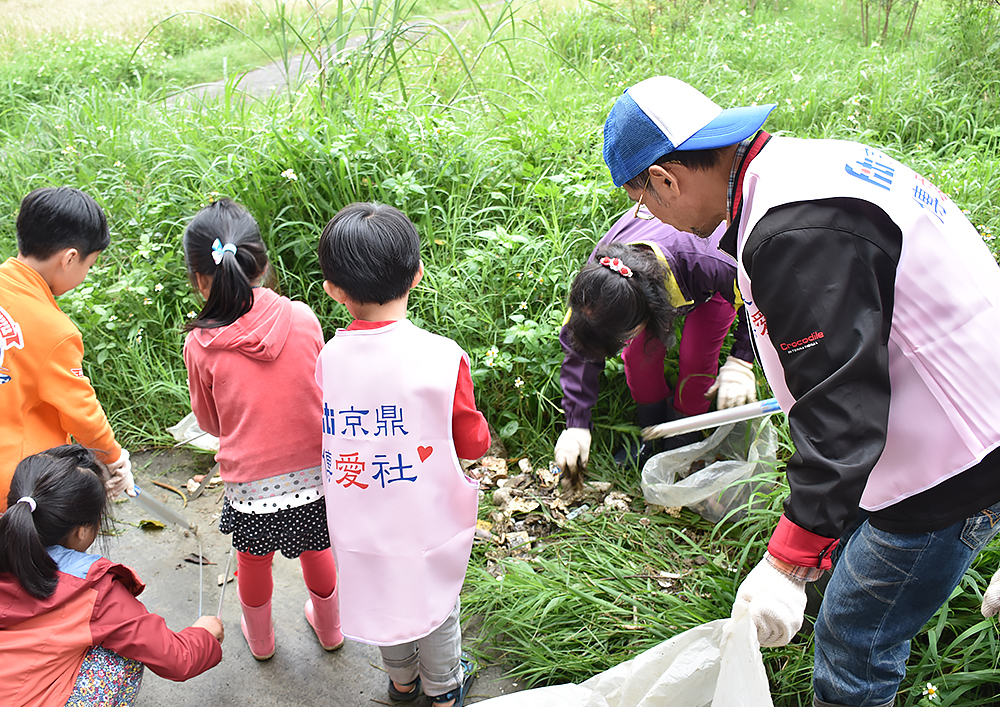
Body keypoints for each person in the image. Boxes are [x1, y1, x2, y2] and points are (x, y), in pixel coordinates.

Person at [602, 74, 1000, 707]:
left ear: (665, 180)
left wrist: (788, 560)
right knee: (849, 585)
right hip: (951, 407)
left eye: (643, 199)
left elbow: (841, 414)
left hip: (951, 462)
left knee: (855, 641)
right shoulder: (797, 172)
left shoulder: (792, 235)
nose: (649, 215)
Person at [315, 202, 490, 707]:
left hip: (360, 516)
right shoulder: (441, 356)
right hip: (423, 519)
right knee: (434, 600)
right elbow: (472, 442)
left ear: (334, 290)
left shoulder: (329, 356)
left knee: (382, 595)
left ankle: (402, 682)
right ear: (417, 274)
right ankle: (443, 688)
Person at [181, 198, 341, 661]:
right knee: (318, 550)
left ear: (199, 278)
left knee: (252, 562)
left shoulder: (201, 344)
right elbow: (321, 392)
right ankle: (331, 630)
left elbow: (210, 423)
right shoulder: (303, 317)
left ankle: (262, 641)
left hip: (250, 487)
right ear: (263, 264)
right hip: (316, 475)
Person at [0, 445, 224, 707]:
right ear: (82, 531)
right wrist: (204, 634)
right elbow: (176, 659)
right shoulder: (94, 594)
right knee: (121, 656)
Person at [556, 209, 755, 480]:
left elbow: (758, 300)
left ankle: (683, 441)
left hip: (712, 283)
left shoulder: (715, 263)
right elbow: (581, 347)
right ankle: (652, 433)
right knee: (637, 358)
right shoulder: (596, 284)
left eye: (624, 336)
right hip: (654, 274)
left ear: (647, 311)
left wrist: (741, 360)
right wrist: (576, 424)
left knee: (696, 356)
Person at [0, 186, 133, 511]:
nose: (86, 274)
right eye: (90, 264)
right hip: (19, 486)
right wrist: (114, 458)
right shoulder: (53, 331)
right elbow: (82, 414)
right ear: (70, 258)